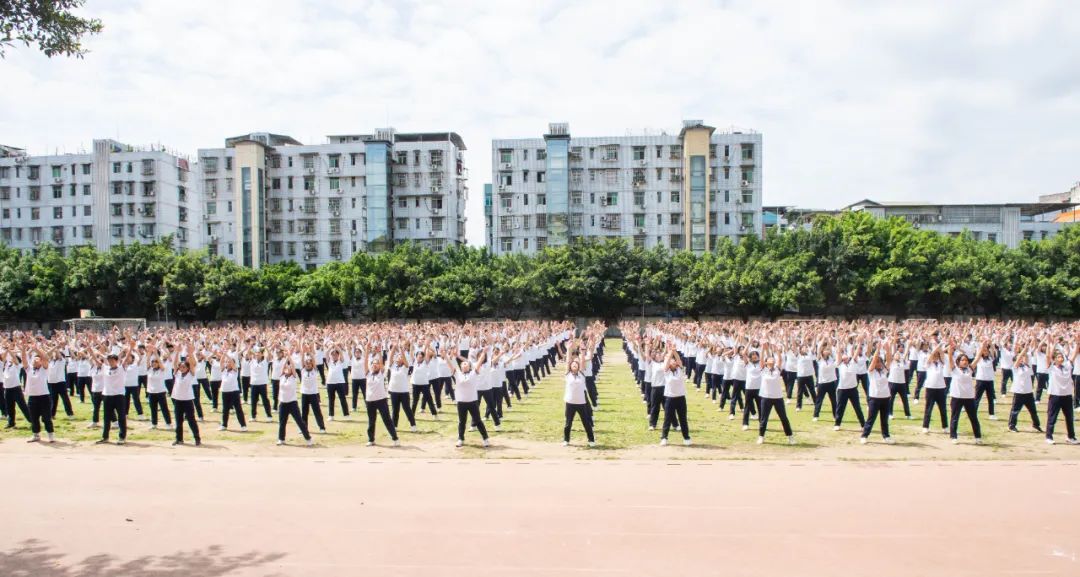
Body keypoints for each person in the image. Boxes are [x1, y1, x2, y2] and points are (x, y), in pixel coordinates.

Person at [448, 348, 489, 447]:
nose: (464, 364)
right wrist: (445, 356)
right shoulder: (457, 373)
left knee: (478, 420)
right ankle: (460, 439)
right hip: (461, 402)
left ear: (469, 366)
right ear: (461, 366)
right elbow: (450, 364)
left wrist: (483, 352)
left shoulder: (473, 373)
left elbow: (479, 362)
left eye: (466, 363)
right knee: (462, 421)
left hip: (472, 401)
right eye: (463, 364)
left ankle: (485, 438)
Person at [757, 342, 794, 444]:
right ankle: (761, 436)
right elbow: (761, 359)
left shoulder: (777, 369)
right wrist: (763, 348)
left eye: (772, 359)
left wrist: (777, 349)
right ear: (766, 362)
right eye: (769, 359)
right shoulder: (763, 369)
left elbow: (780, 359)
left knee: (783, 418)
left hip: (778, 397)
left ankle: (790, 436)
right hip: (766, 397)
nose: (771, 359)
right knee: (764, 418)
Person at [946, 340, 982, 445]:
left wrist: (982, 347)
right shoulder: (954, 369)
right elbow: (950, 359)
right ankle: (953, 436)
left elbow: (977, 358)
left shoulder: (970, 369)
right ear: (959, 362)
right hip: (957, 397)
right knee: (955, 417)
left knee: (973, 418)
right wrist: (950, 349)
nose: (965, 362)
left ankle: (978, 437)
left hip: (969, 397)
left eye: (966, 360)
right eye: (962, 360)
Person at [860, 339, 895, 445]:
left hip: (885, 397)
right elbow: (874, 359)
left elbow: (889, 360)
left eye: (881, 362)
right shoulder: (871, 372)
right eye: (878, 362)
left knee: (884, 419)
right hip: (874, 398)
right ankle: (864, 435)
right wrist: (878, 349)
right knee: (871, 418)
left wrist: (888, 349)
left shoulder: (884, 371)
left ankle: (886, 436)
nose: (880, 364)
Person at [362, 346, 398, 446]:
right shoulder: (368, 373)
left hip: (381, 400)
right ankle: (371, 439)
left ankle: (395, 438)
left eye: (376, 364)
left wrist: (379, 354)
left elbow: (382, 363)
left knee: (387, 420)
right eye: (373, 364)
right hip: (370, 401)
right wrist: (367, 351)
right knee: (371, 421)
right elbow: (365, 363)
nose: (375, 365)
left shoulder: (381, 373)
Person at [1043, 343, 1078, 445]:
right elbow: (1047, 356)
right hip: (1055, 396)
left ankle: (1071, 437)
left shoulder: (1067, 365)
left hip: (1067, 396)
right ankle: (1049, 437)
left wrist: (1077, 342)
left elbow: (1074, 354)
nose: (1061, 358)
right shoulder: (1051, 368)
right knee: (1052, 417)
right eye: (1058, 357)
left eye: (1061, 356)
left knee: (1069, 417)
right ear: (1054, 359)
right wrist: (1051, 344)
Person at [276, 358, 312, 446]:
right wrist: (286, 360)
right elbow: (283, 366)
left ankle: (308, 438)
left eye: (289, 368)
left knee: (299, 421)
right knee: (282, 422)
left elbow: (293, 366)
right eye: (286, 368)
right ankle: (281, 439)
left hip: (292, 403)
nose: (287, 369)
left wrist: (289, 357)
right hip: (283, 403)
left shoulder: (293, 377)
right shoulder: (281, 377)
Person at [1006, 341, 1041, 433]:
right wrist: (1023, 351)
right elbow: (1018, 359)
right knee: (1015, 410)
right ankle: (1011, 425)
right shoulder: (1015, 368)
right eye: (1019, 359)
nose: (1021, 360)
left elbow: (1026, 358)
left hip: (1028, 392)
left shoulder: (1027, 367)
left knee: (1033, 411)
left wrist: (1025, 349)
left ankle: (1036, 424)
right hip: (1019, 392)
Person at [22, 345, 55, 443]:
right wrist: (24, 348)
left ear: (41, 362)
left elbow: (45, 357)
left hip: (44, 396)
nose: (35, 360)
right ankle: (36, 435)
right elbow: (24, 359)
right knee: (34, 418)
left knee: (46, 417)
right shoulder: (29, 369)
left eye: (37, 359)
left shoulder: (44, 369)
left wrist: (36, 349)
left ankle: (50, 435)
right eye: (34, 359)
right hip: (33, 397)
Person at [97, 350, 130, 445]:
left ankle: (122, 437)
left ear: (116, 361)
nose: (110, 362)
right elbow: (97, 360)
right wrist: (90, 350)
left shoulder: (121, 368)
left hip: (119, 395)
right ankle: (105, 437)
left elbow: (126, 359)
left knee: (121, 417)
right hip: (107, 395)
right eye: (109, 360)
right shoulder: (105, 368)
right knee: (106, 417)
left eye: (112, 360)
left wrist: (130, 348)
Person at [660, 346, 691, 447]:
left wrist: (674, 351)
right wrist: (670, 354)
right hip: (669, 398)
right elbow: (666, 364)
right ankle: (664, 438)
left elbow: (679, 360)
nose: (673, 362)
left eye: (674, 361)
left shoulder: (680, 370)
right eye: (671, 361)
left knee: (683, 419)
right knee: (667, 419)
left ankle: (686, 437)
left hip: (681, 397)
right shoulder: (666, 371)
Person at [169, 349, 201, 446]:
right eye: (180, 367)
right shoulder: (177, 373)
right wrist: (177, 352)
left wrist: (190, 353)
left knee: (191, 420)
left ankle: (197, 438)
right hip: (178, 400)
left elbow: (192, 364)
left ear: (187, 368)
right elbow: (175, 363)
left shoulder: (190, 375)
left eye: (183, 367)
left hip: (187, 400)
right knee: (178, 420)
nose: (181, 368)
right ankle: (179, 439)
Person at [562, 357, 595, 447]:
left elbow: (583, 362)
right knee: (568, 423)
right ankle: (566, 439)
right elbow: (568, 360)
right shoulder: (568, 375)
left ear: (579, 366)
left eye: (576, 364)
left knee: (586, 422)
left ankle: (591, 440)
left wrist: (583, 351)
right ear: (570, 367)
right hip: (570, 403)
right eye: (573, 364)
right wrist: (568, 348)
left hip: (581, 402)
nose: (574, 365)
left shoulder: (581, 374)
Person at [387, 344, 417, 432]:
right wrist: (393, 347)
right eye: (398, 357)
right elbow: (390, 357)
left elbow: (406, 361)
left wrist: (401, 351)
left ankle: (413, 425)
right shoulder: (392, 366)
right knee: (395, 409)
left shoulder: (405, 367)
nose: (398, 358)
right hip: (394, 391)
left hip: (404, 391)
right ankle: (394, 426)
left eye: (400, 357)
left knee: (407, 409)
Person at [833, 349, 865, 431]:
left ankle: (863, 424)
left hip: (853, 389)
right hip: (842, 389)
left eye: (846, 356)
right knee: (840, 408)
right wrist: (839, 344)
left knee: (857, 407)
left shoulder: (853, 363)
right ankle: (837, 424)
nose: (844, 358)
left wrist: (859, 342)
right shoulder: (840, 364)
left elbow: (856, 352)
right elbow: (839, 352)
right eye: (843, 357)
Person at [920, 343, 949, 434]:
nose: (935, 356)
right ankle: (925, 426)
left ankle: (945, 426)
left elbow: (942, 354)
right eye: (934, 355)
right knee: (928, 408)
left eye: (937, 355)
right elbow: (930, 356)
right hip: (930, 388)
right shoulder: (928, 363)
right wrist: (935, 349)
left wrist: (939, 347)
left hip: (941, 388)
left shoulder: (941, 363)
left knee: (943, 409)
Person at [218, 355, 247, 432]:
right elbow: (221, 362)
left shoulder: (235, 370)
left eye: (229, 362)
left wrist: (227, 355)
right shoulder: (224, 370)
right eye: (226, 362)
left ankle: (243, 425)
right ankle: (224, 425)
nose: (227, 363)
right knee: (225, 409)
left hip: (234, 391)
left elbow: (232, 363)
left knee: (238, 409)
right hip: (225, 391)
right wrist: (223, 355)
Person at [299, 356, 327, 434]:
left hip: (313, 394)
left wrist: (310, 353)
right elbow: (302, 361)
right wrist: (303, 350)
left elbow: (314, 361)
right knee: (304, 412)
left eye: (309, 364)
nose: (308, 365)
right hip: (304, 393)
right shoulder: (303, 371)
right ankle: (304, 428)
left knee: (317, 411)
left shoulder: (314, 371)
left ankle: (322, 427)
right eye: (306, 363)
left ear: (312, 364)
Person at [145, 349, 172, 430]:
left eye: (155, 362)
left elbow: (161, 363)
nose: (153, 363)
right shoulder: (149, 370)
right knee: (153, 408)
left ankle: (168, 423)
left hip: (160, 392)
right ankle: (154, 423)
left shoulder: (162, 370)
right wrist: (149, 353)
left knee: (164, 408)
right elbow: (147, 361)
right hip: (151, 392)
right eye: (152, 362)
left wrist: (156, 354)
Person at [973, 342, 998, 420]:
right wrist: (982, 346)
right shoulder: (979, 359)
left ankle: (991, 414)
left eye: (987, 351)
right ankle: (973, 413)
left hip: (989, 381)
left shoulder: (990, 358)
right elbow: (979, 354)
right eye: (984, 351)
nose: (986, 352)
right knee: (977, 398)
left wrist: (990, 344)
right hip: (981, 380)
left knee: (990, 398)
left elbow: (994, 351)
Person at [325, 348, 350, 421]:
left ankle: (346, 414)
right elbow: (326, 353)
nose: (334, 356)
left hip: (340, 382)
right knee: (331, 399)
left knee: (342, 398)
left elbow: (341, 353)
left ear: (338, 355)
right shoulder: (329, 361)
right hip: (330, 382)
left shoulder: (340, 361)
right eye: (332, 355)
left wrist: (336, 346)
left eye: (335, 355)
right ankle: (331, 415)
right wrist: (331, 347)